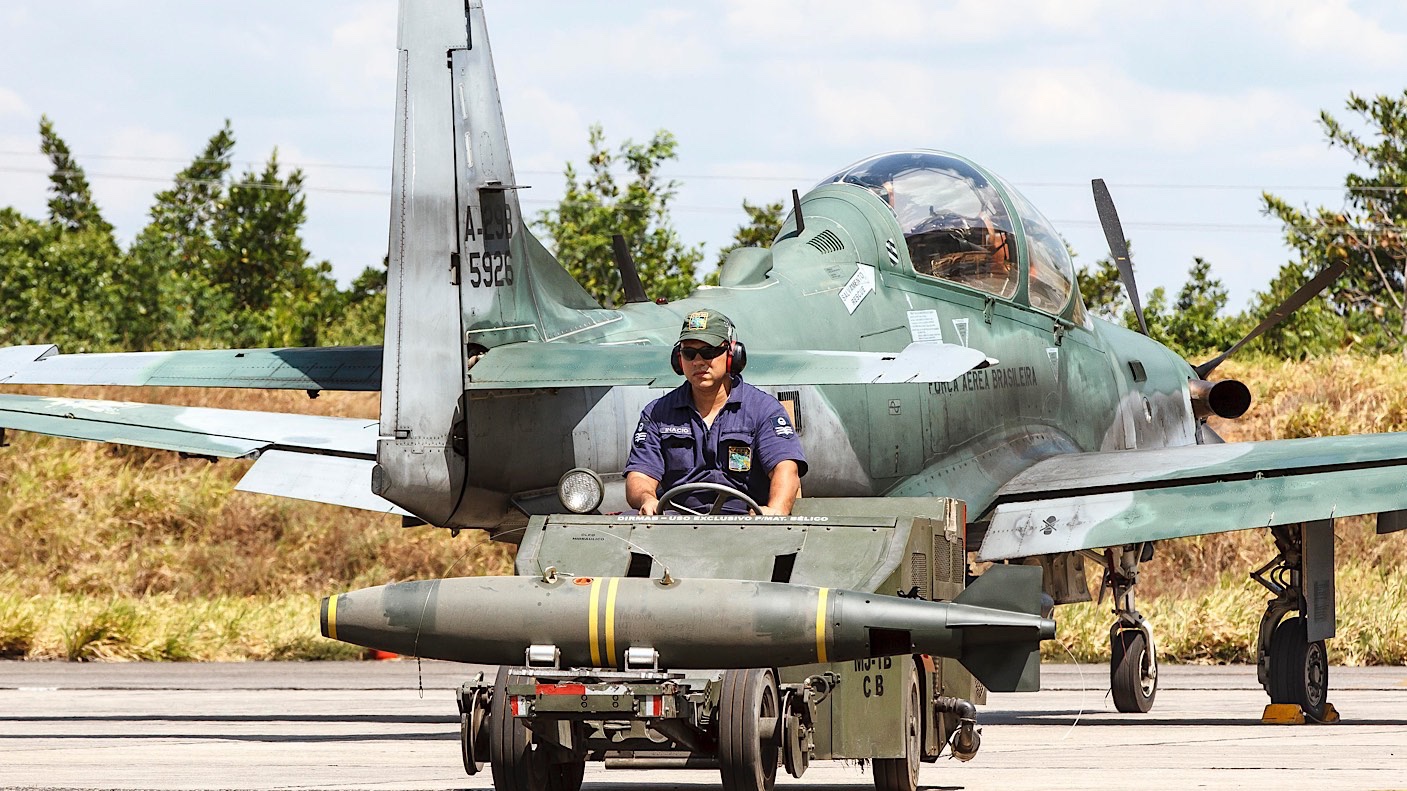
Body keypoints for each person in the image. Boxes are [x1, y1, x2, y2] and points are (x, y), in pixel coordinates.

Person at [625, 309, 807, 516]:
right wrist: (647, 499)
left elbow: (785, 469)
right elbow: (639, 476)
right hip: (676, 524)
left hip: (746, 524)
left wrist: (776, 510)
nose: (698, 361)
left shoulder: (764, 409)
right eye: (689, 353)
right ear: (678, 359)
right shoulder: (657, 413)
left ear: (732, 355)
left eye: (709, 351)